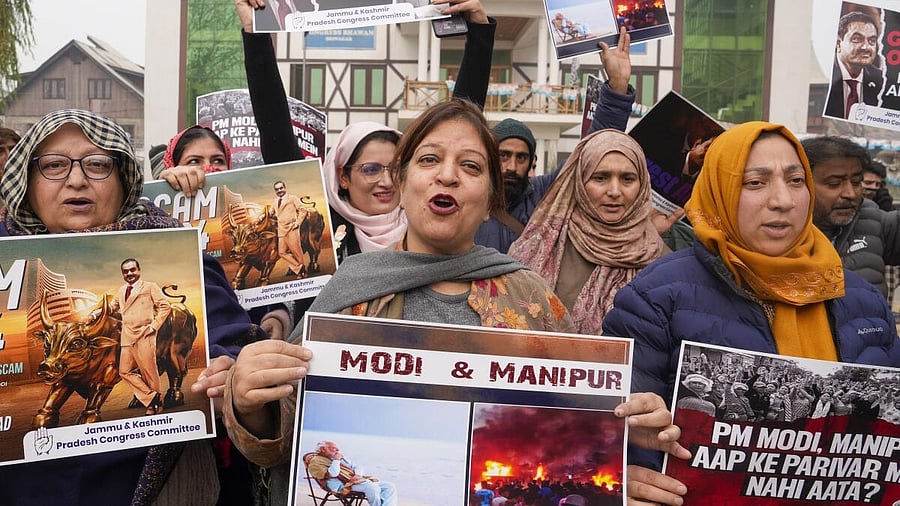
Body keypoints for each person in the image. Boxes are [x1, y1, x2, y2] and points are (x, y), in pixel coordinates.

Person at [223, 99, 689, 506]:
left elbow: (575, 438)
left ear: (489, 199)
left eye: (470, 166)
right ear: (402, 184)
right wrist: (249, 401)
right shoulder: (348, 294)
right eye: (429, 159)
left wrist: (621, 433)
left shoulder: (531, 300)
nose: (448, 174)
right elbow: (278, 440)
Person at [603, 121, 900, 504]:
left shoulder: (862, 300)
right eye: (755, 183)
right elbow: (610, 432)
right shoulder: (656, 297)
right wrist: (621, 475)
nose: (783, 200)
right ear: (719, 190)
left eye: (796, 181)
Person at [0, 109, 270, 504]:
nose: (76, 179)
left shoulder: (176, 247)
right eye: (54, 165)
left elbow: (235, 344)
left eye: (97, 165)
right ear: (27, 180)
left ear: (124, 177)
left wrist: (231, 377)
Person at [475, 27, 638, 254]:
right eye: (503, 155)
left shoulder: (545, 195)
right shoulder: (469, 198)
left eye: (521, 157)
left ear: (532, 160)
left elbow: (591, 151)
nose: (511, 167)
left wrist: (618, 85)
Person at [508, 129, 664, 334]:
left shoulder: (659, 259)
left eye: (627, 179)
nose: (615, 191)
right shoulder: (540, 245)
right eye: (600, 178)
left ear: (643, 184)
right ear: (580, 182)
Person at [801, 135, 900, 297]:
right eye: (834, 183)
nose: (850, 193)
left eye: (856, 182)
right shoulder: (773, 233)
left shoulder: (874, 221)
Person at [113, 258, 172, 416]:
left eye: (132, 270)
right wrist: (95, 314)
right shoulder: (121, 290)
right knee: (124, 371)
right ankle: (154, 398)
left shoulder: (150, 286)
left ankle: (153, 406)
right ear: (122, 274)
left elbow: (165, 306)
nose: (129, 273)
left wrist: (153, 327)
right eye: (126, 271)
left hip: (144, 334)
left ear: (139, 270)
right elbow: (113, 306)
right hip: (127, 336)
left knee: (149, 371)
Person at [824, 11, 884, 119]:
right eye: (857, 39)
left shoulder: (882, 81)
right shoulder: (824, 74)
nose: (866, 47)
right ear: (838, 43)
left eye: (872, 41)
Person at [307, 440, 397, 506]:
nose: (337, 449)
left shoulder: (334, 457)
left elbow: (357, 466)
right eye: (333, 448)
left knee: (389, 486)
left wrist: (357, 475)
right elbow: (333, 474)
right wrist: (336, 460)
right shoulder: (316, 461)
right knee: (371, 487)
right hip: (342, 485)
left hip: (355, 481)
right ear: (323, 449)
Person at [273, 180, 311, 277]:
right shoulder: (275, 201)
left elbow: (303, 210)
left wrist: (298, 223)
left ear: (285, 188)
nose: (279, 190)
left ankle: (302, 273)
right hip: (281, 230)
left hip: (292, 228)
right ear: (275, 191)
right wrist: (260, 218)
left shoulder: (292, 198)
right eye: (277, 189)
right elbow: (271, 212)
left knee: (296, 251)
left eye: (281, 188)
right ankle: (299, 268)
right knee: (281, 252)